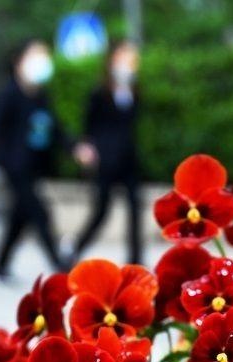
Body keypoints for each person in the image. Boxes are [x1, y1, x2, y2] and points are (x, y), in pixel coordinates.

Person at [0, 39, 96, 281]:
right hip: (15, 166)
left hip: (35, 165)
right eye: (35, 55)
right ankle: (60, 268)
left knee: (19, 216)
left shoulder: (41, 96)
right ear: (19, 61)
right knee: (39, 213)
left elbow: (54, 128)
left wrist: (75, 148)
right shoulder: (10, 94)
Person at [69, 40, 143, 266]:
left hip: (128, 158)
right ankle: (75, 247)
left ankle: (135, 259)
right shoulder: (99, 92)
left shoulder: (134, 91)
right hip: (106, 159)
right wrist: (89, 150)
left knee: (134, 207)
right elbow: (89, 126)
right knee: (101, 210)